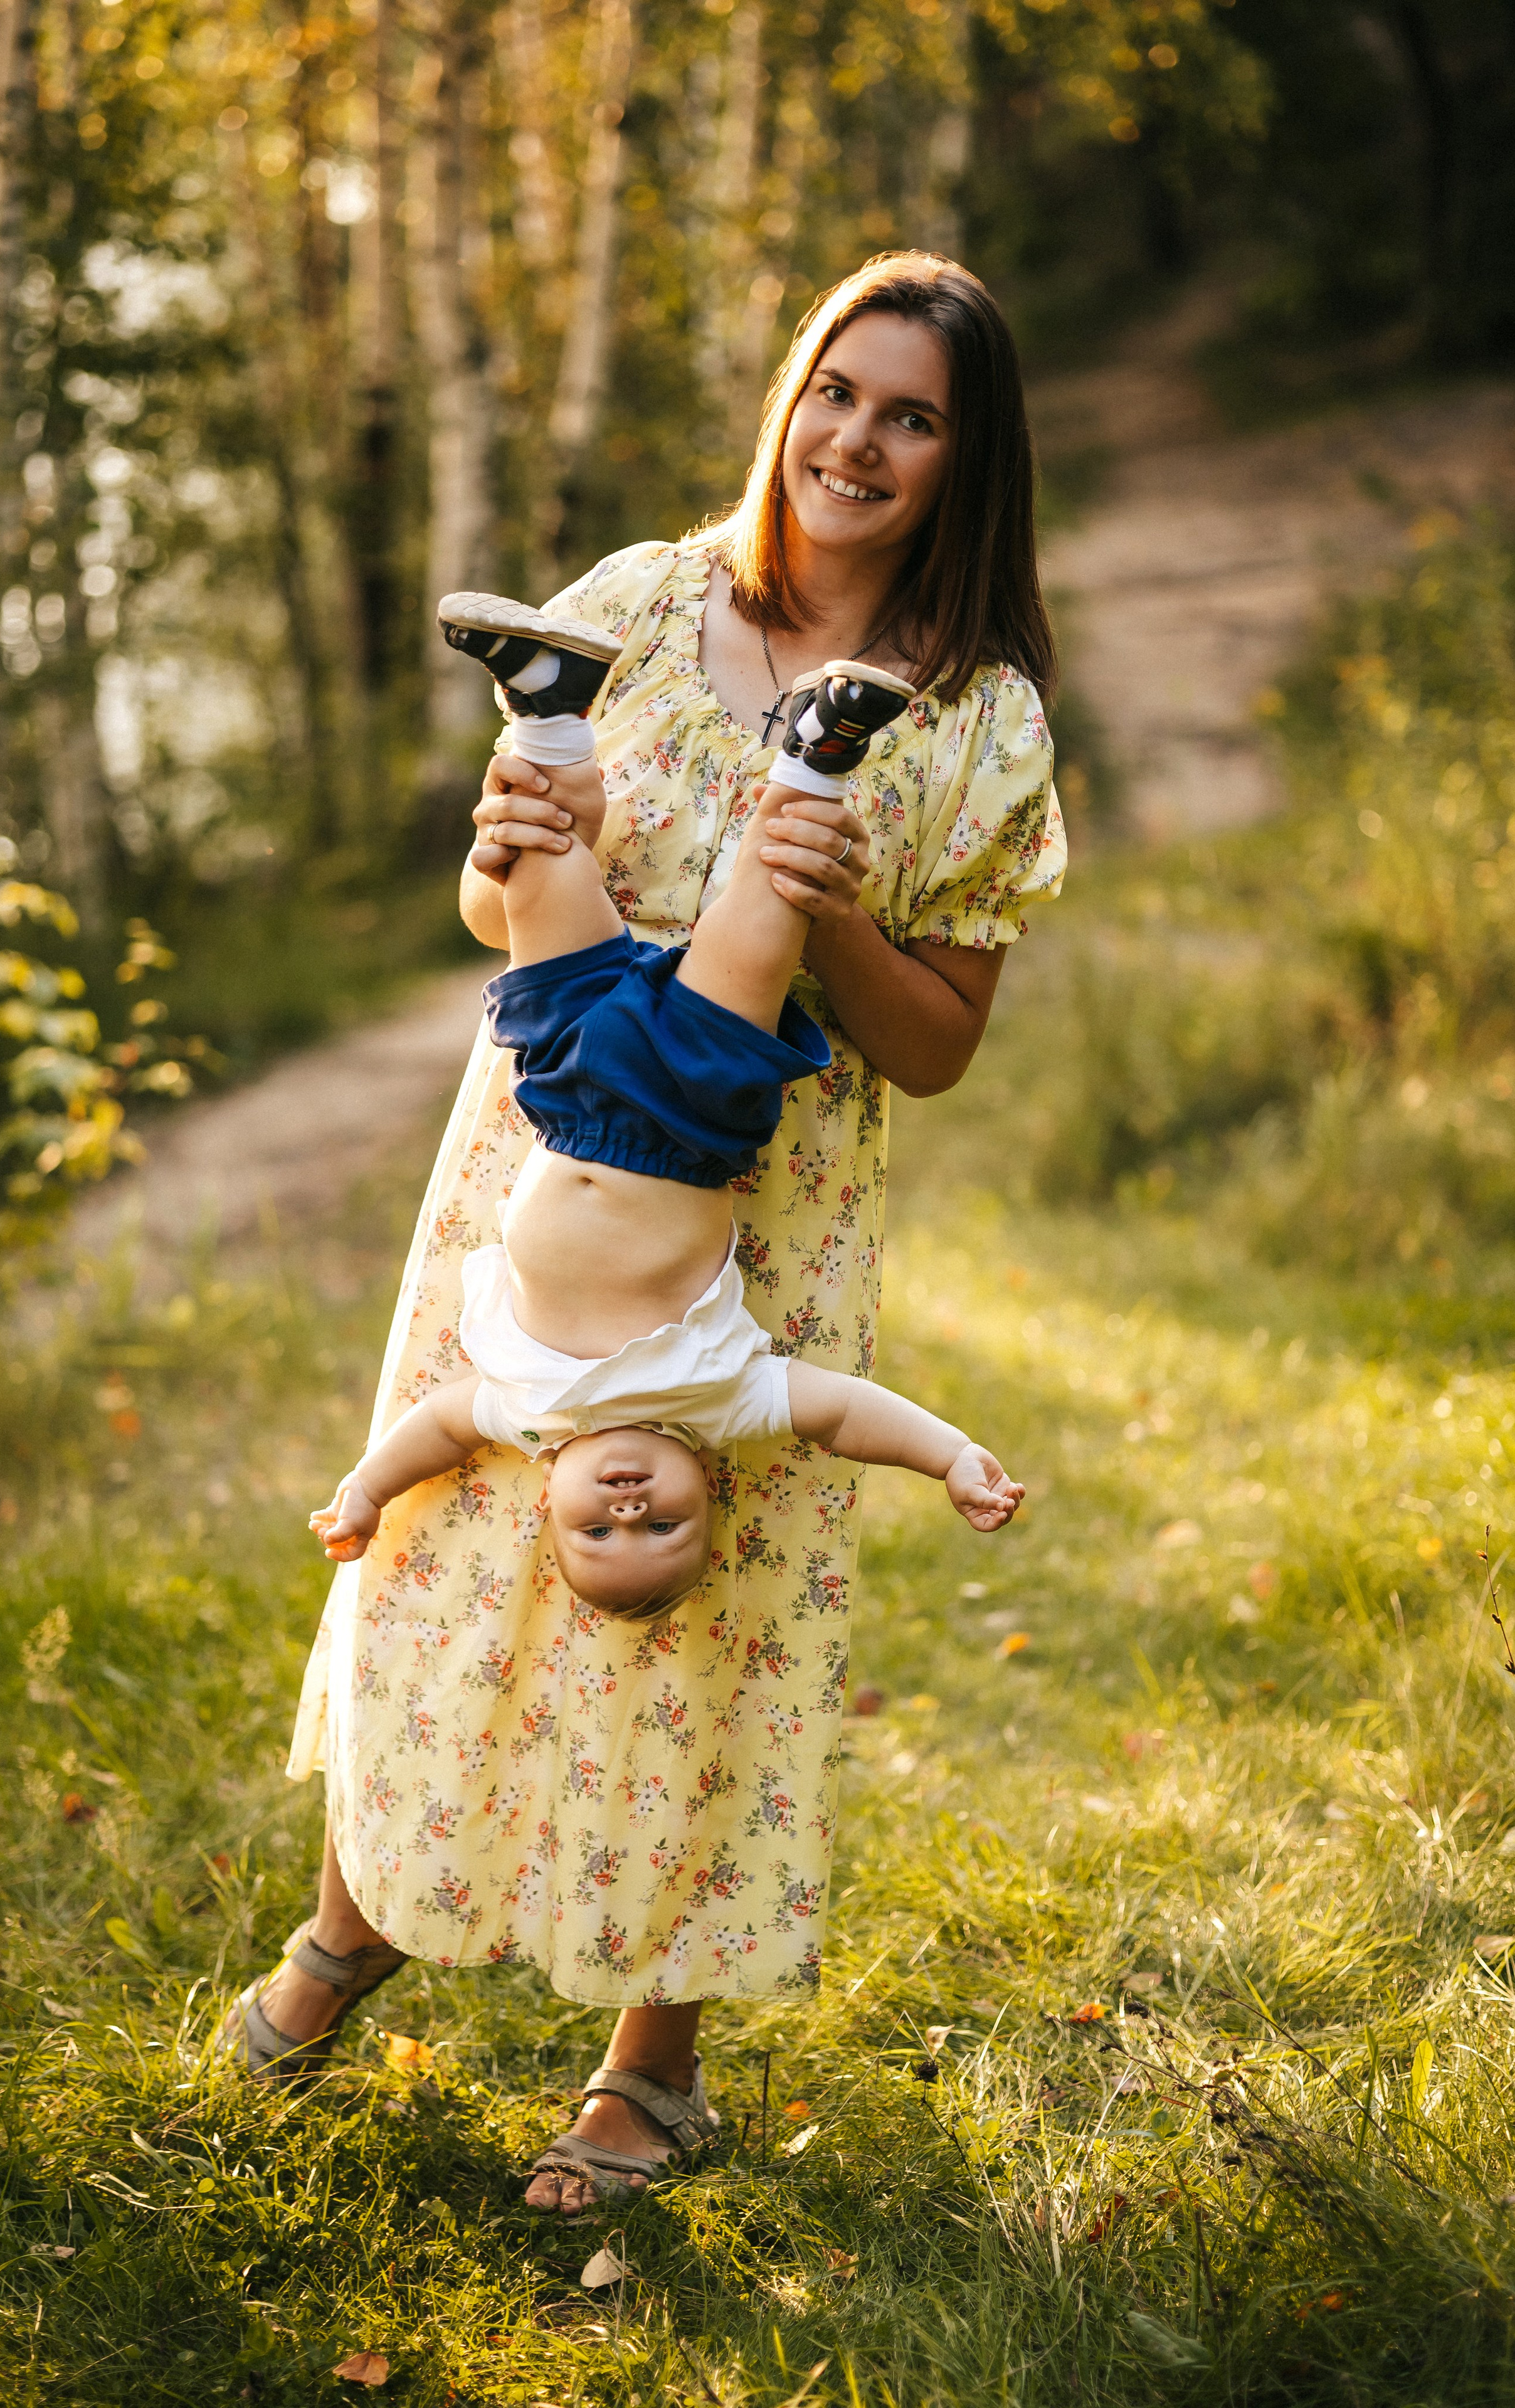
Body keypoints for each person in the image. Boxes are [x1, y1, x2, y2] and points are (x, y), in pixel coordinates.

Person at [238, 251, 1065, 2217]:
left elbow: (939, 1050)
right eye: (837, 392)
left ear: (968, 461)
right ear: (792, 399)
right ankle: (358, 1920)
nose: (858, 440)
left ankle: (652, 2068)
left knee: (709, 1611)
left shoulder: (983, 723)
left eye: (914, 417)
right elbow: (497, 910)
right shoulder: (636, 599)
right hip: (534, 1179)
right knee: (444, 1554)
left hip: (765, 1223)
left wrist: (827, 905)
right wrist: (501, 857)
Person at [305, 619, 1025, 1633]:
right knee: (760, 921)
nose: (629, 1510)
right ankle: (818, 754)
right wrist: (950, 1456)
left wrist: (367, 1490)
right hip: (690, 1115)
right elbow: (844, 1413)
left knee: (545, 879)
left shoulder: (524, 1411)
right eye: (665, 1526)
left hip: (562, 1096)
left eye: (597, 1532)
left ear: (547, 1500)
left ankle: (552, 710)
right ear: (709, 1490)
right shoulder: (718, 1399)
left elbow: (432, 1428)